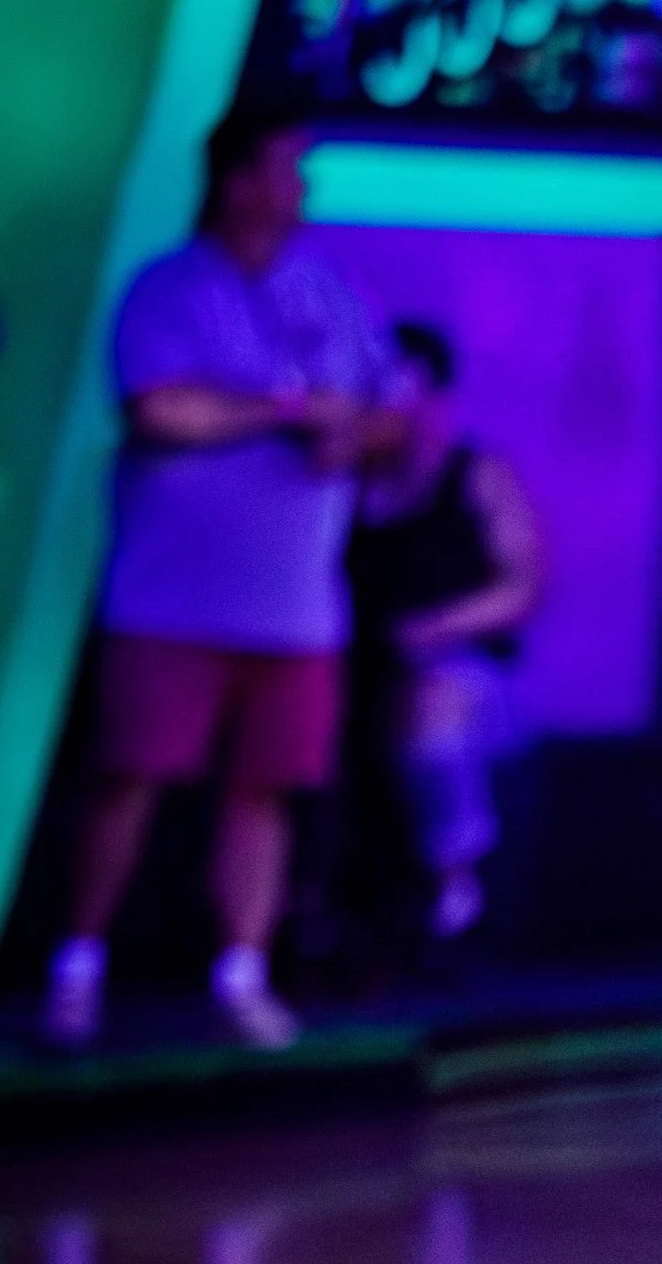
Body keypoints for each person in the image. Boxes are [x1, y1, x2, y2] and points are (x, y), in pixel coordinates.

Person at [42, 111, 401, 1053]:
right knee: (128, 778)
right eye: (285, 170)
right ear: (236, 181)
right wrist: (284, 407)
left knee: (267, 791)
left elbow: (390, 417)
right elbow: (162, 410)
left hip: (295, 610)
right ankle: (75, 968)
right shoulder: (166, 291)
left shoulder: (334, 292)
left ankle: (242, 977)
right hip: (170, 601)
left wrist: (347, 430)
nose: (301, 191)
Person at [348, 320, 540, 942]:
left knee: (430, 714)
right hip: (355, 665)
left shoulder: (476, 477)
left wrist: (434, 627)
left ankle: (454, 881)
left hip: (459, 672)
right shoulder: (345, 487)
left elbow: (522, 587)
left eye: (406, 394)